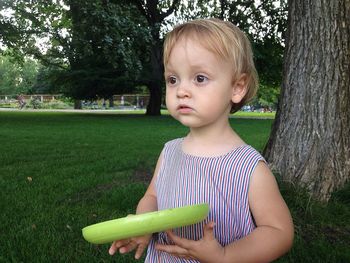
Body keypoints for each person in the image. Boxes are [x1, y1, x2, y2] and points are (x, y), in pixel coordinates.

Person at [109, 18, 294, 262]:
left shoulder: (248, 167)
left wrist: (225, 255)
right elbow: (152, 198)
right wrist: (143, 226)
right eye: (173, 79)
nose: (181, 90)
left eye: (199, 78)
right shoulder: (170, 151)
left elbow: (279, 232)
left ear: (237, 87)